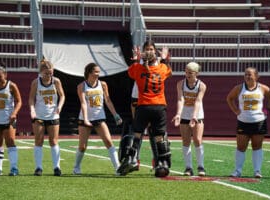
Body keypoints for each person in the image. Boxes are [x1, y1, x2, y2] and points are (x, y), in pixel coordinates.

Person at [117, 40, 172, 177]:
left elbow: (131, 71)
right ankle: (162, 163)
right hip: (159, 106)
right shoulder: (161, 69)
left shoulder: (138, 69)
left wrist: (136, 60)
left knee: (136, 134)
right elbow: (167, 70)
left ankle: (131, 159)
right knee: (159, 136)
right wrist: (164, 58)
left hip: (143, 105)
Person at [73, 62, 122, 175]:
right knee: (82, 146)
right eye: (96, 72)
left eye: (99, 72)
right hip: (85, 119)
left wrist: (115, 115)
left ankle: (117, 167)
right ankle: (76, 167)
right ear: (89, 72)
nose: (98, 74)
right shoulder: (81, 86)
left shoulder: (103, 84)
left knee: (109, 141)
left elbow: (108, 101)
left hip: (99, 118)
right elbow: (83, 104)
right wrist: (85, 119)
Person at [226, 67, 270, 178]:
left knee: (257, 146)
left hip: (259, 122)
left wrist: (268, 110)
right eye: (246, 74)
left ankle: (257, 171)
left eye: (250, 74)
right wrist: (235, 110)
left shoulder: (262, 88)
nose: (248, 76)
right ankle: (237, 171)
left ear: (256, 76)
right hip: (243, 121)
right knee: (241, 146)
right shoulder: (239, 88)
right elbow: (229, 98)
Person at [28, 59, 65, 176]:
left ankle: (57, 167)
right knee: (38, 141)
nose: (48, 75)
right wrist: (32, 110)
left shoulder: (56, 81)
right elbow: (31, 98)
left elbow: (62, 96)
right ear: (41, 72)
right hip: (39, 115)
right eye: (46, 73)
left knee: (53, 141)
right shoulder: (36, 82)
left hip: (53, 115)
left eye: (50, 73)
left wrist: (59, 106)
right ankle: (38, 168)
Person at [172, 62, 207, 176]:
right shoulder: (180, 84)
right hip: (185, 115)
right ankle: (188, 168)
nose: (187, 74)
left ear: (196, 73)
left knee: (197, 139)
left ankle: (201, 167)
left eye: (190, 73)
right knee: (186, 141)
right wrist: (178, 114)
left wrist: (194, 116)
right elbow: (180, 99)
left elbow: (198, 101)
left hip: (197, 116)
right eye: (186, 72)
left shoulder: (201, 85)